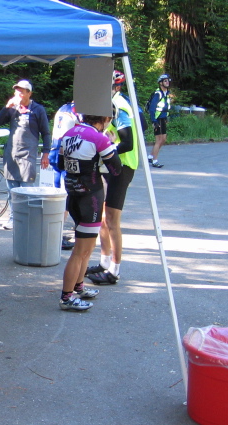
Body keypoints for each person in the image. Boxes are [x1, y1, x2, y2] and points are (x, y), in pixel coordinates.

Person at [57, 114, 122, 311]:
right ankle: (67, 297)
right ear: (104, 119)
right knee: (80, 251)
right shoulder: (98, 138)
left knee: (87, 247)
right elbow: (116, 169)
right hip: (90, 198)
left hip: (73, 195)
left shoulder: (68, 134)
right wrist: (110, 145)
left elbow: (60, 164)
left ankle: (78, 287)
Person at [85, 70, 140, 285]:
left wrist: (108, 147)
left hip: (123, 166)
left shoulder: (118, 106)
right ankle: (104, 262)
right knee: (101, 219)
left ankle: (115, 271)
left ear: (114, 87)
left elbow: (128, 142)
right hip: (111, 166)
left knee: (112, 220)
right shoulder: (112, 104)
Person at [0, 79, 51, 230]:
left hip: (27, 156)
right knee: (12, 191)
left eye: (22, 90)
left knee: (26, 191)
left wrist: (46, 153)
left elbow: (46, 133)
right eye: (16, 90)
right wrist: (6, 107)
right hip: (11, 154)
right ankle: (14, 218)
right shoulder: (13, 109)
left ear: (29, 93)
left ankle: (28, 220)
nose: (18, 93)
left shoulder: (38, 109)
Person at [47, 100, 82, 250]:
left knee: (57, 193)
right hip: (65, 152)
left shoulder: (63, 106)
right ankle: (57, 235)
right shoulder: (78, 109)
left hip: (55, 149)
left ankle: (55, 231)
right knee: (64, 195)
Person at [147, 74, 172, 168]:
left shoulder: (166, 93)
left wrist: (166, 117)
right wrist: (154, 121)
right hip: (157, 119)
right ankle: (155, 160)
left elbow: (165, 107)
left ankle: (150, 156)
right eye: (165, 81)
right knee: (159, 140)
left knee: (163, 139)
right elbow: (152, 109)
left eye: (168, 81)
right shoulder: (158, 94)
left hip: (163, 118)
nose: (167, 82)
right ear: (161, 83)